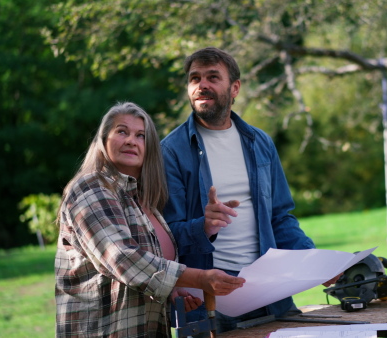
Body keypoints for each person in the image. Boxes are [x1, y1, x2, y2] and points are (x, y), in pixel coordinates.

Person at [161, 47, 340, 333]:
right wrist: (203, 226)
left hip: (270, 292)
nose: (201, 85)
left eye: (212, 77)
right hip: (211, 300)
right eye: (194, 79)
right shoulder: (171, 151)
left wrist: (315, 262)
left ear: (234, 88)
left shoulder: (260, 143)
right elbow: (165, 237)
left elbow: (280, 217)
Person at [55, 101, 245, 337]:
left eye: (141, 136)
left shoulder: (144, 201)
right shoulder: (91, 189)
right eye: (122, 131)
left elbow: (147, 269)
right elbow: (122, 258)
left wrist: (172, 291)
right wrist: (200, 278)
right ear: (103, 140)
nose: (131, 141)